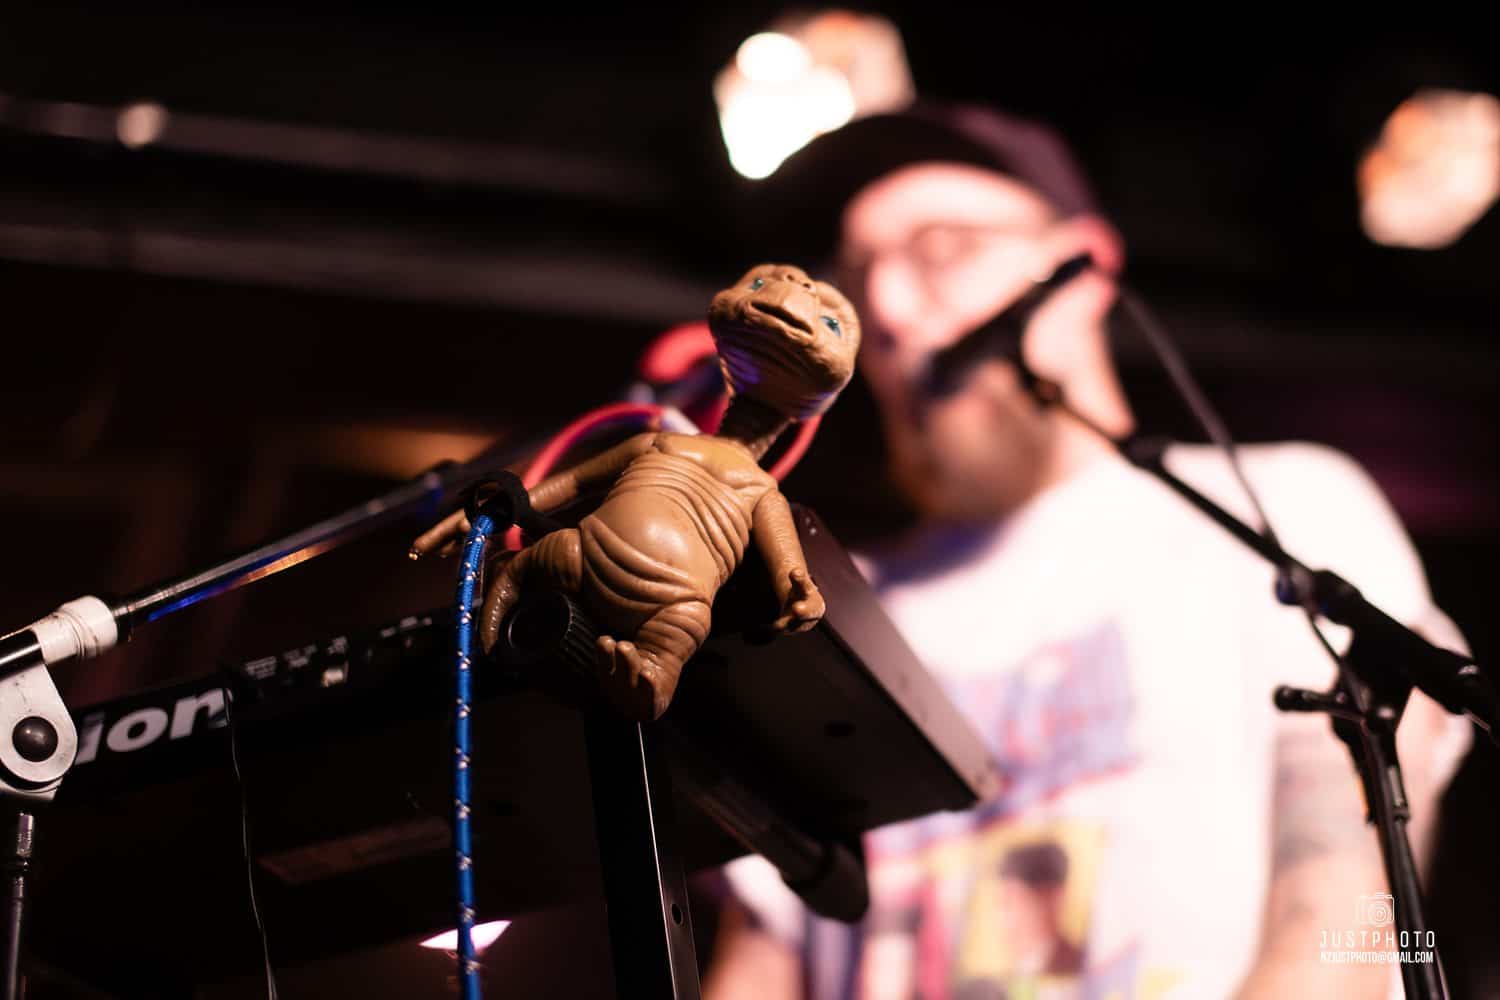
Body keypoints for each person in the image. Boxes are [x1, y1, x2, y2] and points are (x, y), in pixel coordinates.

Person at [702, 103, 1475, 1000]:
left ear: (1082, 270)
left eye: (943, 250)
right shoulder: (820, 601)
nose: (890, 312)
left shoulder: (1284, 506)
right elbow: (762, 961)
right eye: (856, 277)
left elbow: (1351, 911)